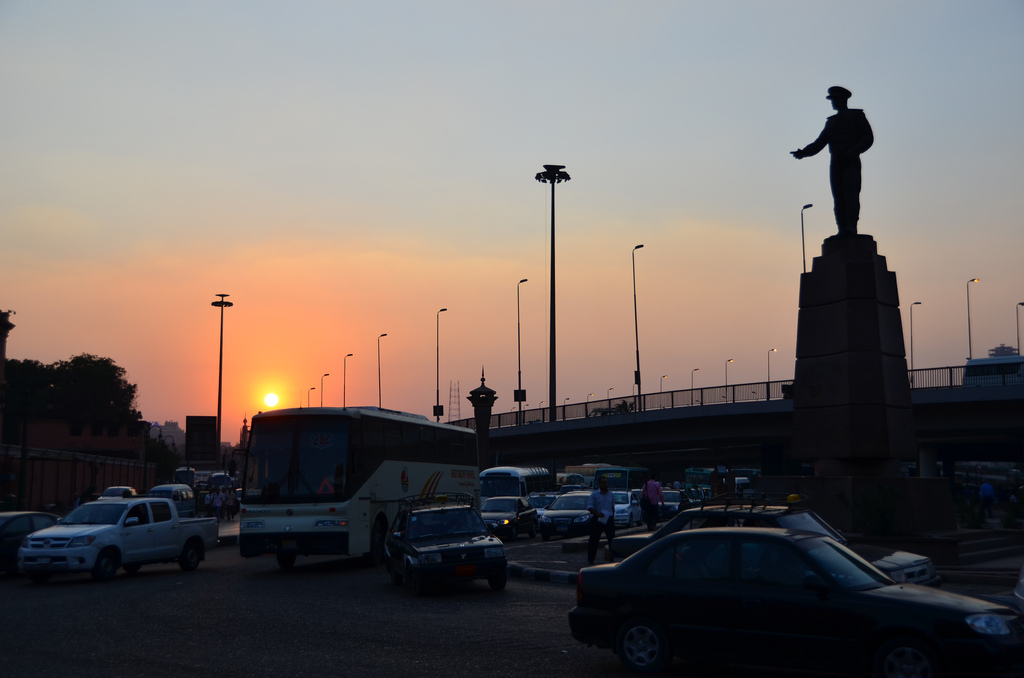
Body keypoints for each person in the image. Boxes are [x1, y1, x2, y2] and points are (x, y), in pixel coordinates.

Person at [791, 86, 874, 236]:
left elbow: (868, 138)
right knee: (838, 198)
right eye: (832, 100)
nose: (832, 102)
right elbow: (819, 143)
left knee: (851, 196)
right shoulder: (832, 122)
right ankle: (842, 229)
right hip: (836, 163)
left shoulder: (856, 116)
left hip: (850, 161)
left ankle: (851, 227)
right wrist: (803, 153)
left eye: (835, 99)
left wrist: (854, 151)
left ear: (843, 99)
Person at [586, 476, 616, 565]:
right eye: (603, 483)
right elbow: (589, 507)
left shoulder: (610, 494)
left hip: (609, 519)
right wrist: (597, 513)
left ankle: (612, 559)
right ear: (599, 484)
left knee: (612, 540)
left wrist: (613, 517)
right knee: (594, 540)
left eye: (606, 482)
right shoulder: (594, 495)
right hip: (598, 518)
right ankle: (591, 560)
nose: (605, 484)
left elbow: (612, 506)